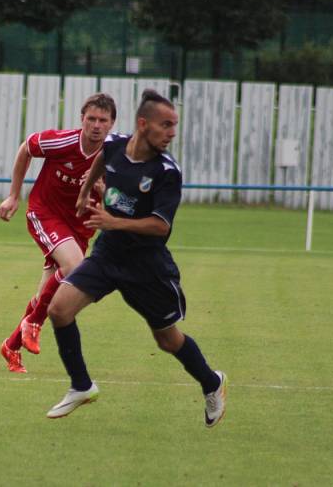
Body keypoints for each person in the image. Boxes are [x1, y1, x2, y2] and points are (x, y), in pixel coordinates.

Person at [44, 89, 227, 427]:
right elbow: (102, 160)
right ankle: (82, 385)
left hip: (147, 267)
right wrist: (86, 191)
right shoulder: (114, 144)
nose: (172, 132)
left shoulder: (166, 171)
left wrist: (114, 220)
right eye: (166, 125)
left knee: (167, 340)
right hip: (108, 253)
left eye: (174, 126)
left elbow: (160, 226)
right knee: (59, 310)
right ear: (143, 124)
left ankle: (211, 382)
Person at [0, 93, 115, 372]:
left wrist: (102, 190)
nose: (96, 125)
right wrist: (13, 196)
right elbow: (26, 148)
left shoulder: (114, 156)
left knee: (46, 298)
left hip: (78, 228)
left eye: (103, 120)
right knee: (74, 266)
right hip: (45, 213)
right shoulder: (62, 141)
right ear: (81, 119)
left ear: (111, 124)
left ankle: (11, 346)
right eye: (91, 119)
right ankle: (33, 324)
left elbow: (118, 203)